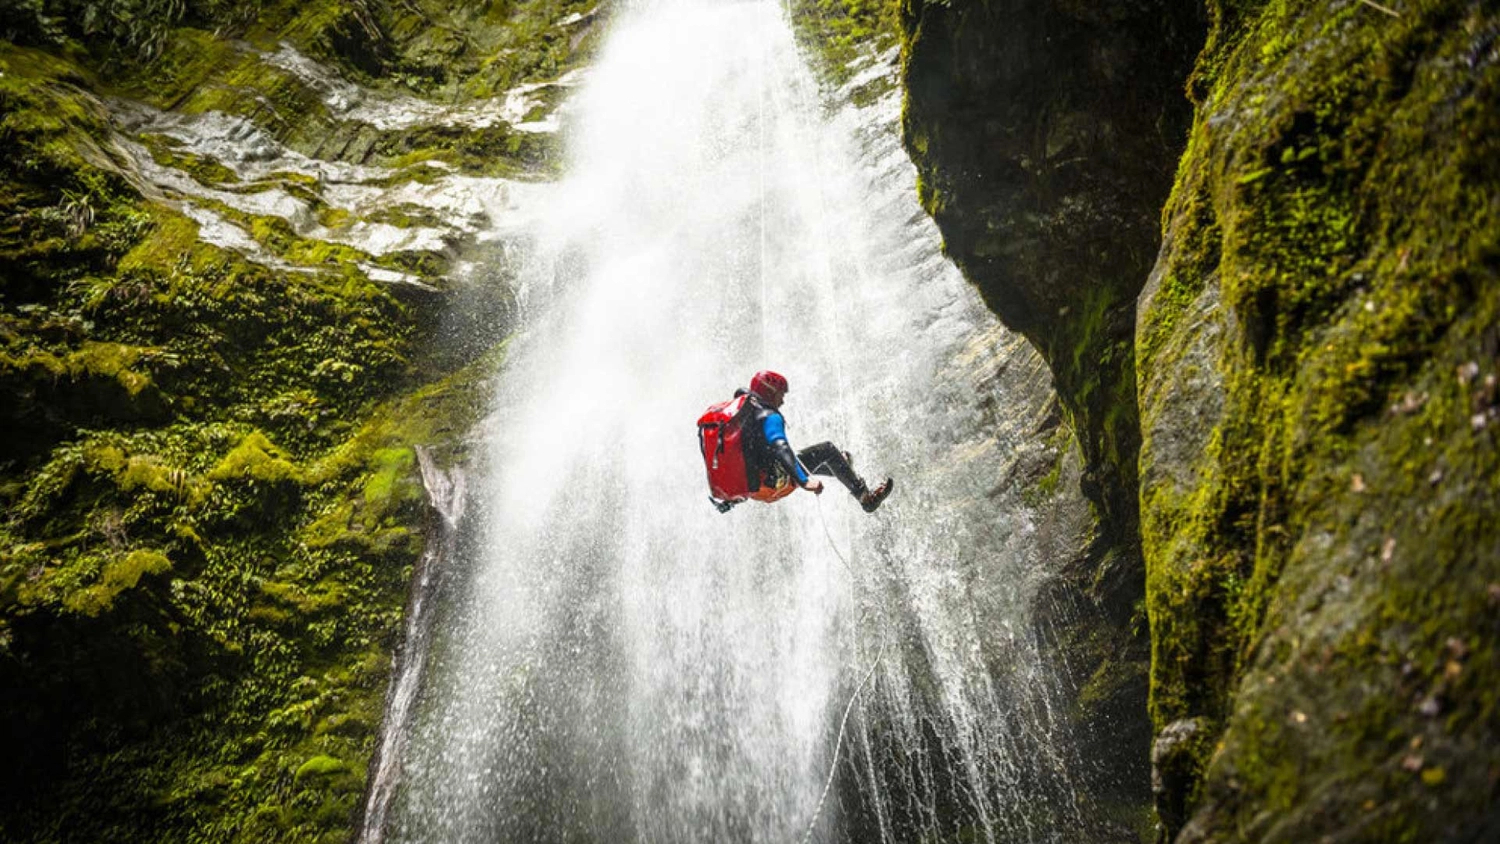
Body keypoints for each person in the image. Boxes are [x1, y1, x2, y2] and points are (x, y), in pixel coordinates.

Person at [723, 370, 893, 514]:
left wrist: (730, 499)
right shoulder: (769, 416)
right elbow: (781, 447)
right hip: (776, 482)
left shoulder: (741, 420)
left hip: (757, 490)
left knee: (838, 460)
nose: (782, 401)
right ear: (770, 392)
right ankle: (865, 498)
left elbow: (742, 461)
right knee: (827, 450)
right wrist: (805, 482)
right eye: (780, 394)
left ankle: (841, 465)